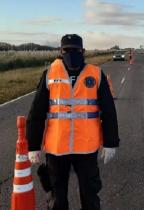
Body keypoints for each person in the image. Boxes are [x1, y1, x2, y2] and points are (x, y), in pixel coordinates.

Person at [26, 34, 120, 210]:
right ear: (60, 52)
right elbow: (36, 113)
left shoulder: (96, 73)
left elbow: (108, 111)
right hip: (56, 148)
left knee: (90, 195)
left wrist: (110, 142)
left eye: (75, 50)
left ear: (83, 51)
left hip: (86, 148)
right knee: (57, 198)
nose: (71, 53)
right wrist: (33, 145)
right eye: (67, 50)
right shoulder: (50, 74)